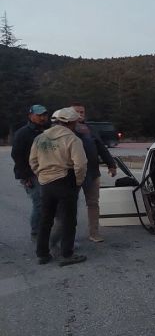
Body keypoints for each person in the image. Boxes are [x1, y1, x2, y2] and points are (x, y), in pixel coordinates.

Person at [30, 107, 88, 266]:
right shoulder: (72, 139)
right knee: (68, 220)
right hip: (65, 181)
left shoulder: (40, 138)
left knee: (46, 219)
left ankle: (42, 254)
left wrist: (41, 176)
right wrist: (78, 181)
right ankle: (67, 254)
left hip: (46, 183)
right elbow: (81, 164)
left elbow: (33, 161)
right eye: (75, 121)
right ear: (70, 123)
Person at [71, 103, 117, 242]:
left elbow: (101, 148)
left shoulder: (91, 128)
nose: (80, 114)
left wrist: (111, 164)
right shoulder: (65, 130)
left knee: (93, 203)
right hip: (73, 174)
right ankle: (68, 235)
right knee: (70, 205)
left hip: (92, 173)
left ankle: (94, 233)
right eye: (77, 111)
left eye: (82, 111)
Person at [11, 104, 50, 241]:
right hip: (31, 174)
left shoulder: (48, 131)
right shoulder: (23, 133)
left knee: (49, 202)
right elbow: (17, 155)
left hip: (48, 172)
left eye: (44, 115)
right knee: (39, 202)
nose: (42, 117)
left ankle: (48, 230)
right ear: (30, 116)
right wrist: (25, 176)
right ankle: (36, 232)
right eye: (39, 115)